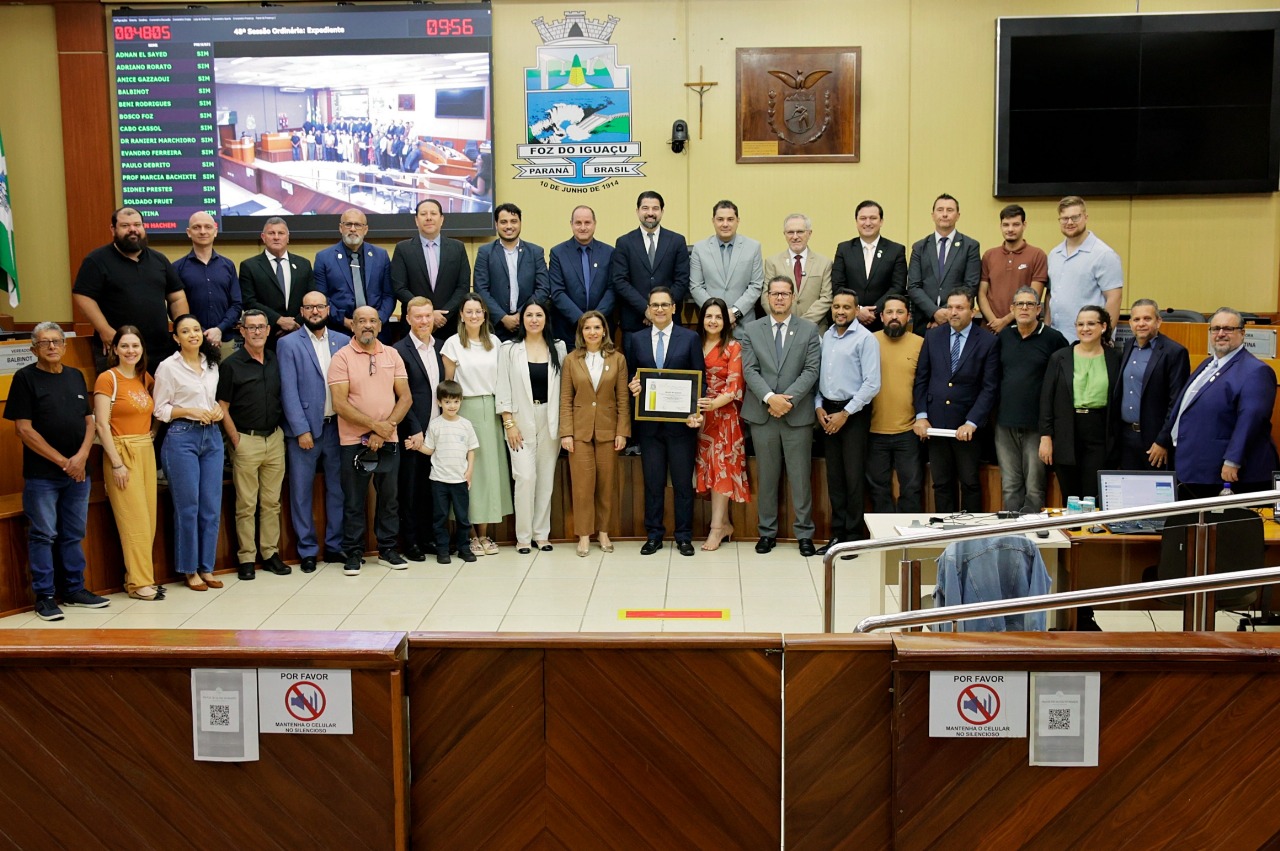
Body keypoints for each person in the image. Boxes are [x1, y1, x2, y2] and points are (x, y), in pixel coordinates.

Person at [4, 322, 109, 621]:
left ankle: (74, 590)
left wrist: (82, 456)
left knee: (73, 533)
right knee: (43, 534)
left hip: (79, 473)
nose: (51, 346)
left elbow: (89, 421)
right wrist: (65, 462)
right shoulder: (25, 379)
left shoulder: (75, 376)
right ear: (33, 348)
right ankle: (46, 597)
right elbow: (24, 430)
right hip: (43, 476)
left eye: (56, 341)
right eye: (44, 342)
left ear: (64, 345)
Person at [740, 275, 823, 556]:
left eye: (784, 294)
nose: (779, 298)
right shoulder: (752, 330)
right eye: (774, 293)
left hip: (796, 415)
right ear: (767, 297)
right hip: (763, 414)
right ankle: (767, 533)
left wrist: (788, 400)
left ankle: (804, 534)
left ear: (792, 297)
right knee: (767, 477)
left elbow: (811, 370)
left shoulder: (808, 330)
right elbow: (749, 370)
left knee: (800, 479)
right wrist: (769, 398)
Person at [329, 306, 412, 575]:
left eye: (372, 321)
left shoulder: (392, 355)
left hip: (388, 438)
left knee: (389, 498)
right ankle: (353, 552)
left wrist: (382, 432)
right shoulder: (341, 358)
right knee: (354, 500)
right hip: (353, 440)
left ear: (379, 325)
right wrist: (374, 427)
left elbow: (405, 398)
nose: (367, 325)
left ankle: (387, 549)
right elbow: (340, 404)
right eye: (361, 321)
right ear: (352, 326)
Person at [1161, 307, 1279, 497]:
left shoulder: (1255, 371)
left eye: (1228, 329)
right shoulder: (1206, 364)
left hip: (1225, 474)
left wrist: (1233, 460)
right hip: (1193, 467)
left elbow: (1251, 420)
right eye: (1215, 329)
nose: (1221, 333)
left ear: (1242, 333)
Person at [625, 286, 705, 555]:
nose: (659, 309)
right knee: (653, 483)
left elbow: (700, 380)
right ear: (648, 309)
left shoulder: (690, 338)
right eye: (654, 305)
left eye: (664, 305)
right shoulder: (636, 339)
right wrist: (633, 386)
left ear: (673, 308)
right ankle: (654, 535)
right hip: (649, 426)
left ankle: (683, 536)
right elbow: (633, 376)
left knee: (682, 484)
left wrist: (697, 412)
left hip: (682, 426)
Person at [278, 290, 350, 573]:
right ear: (301, 311)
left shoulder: (343, 341)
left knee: (338, 490)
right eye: (309, 307)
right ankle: (307, 550)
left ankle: (334, 546)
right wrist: (300, 429)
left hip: (337, 428)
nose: (315, 311)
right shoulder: (287, 344)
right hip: (305, 431)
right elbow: (288, 390)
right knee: (301, 492)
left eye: (319, 306)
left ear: (328, 309)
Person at [152, 314, 225, 591]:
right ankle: (189, 569)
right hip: (182, 437)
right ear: (176, 338)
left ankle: (207, 567)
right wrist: (189, 411)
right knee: (188, 507)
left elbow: (212, 399)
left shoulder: (211, 362)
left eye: (196, 329)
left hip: (212, 436)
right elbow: (160, 409)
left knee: (211, 506)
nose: (193, 334)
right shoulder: (168, 367)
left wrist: (217, 410)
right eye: (185, 331)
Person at [217, 309, 289, 581]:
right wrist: (235, 440)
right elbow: (222, 407)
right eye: (251, 327)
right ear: (242, 331)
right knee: (246, 504)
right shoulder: (231, 365)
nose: (257, 332)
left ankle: (270, 554)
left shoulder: (275, 359)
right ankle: (246, 557)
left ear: (268, 330)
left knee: (271, 502)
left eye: (261, 327)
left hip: (275, 438)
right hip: (245, 440)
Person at [913, 289, 1000, 512]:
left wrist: (972, 422)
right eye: (950, 307)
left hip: (967, 426)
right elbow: (921, 379)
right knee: (941, 483)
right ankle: (944, 530)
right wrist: (921, 416)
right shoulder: (933, 336)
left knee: (970, 483)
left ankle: (969, 533)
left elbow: (989, 388)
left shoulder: (988, 341)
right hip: (936, 425)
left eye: (959, 308)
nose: (953, 312)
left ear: (973, 311)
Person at [72, 206, 189, 371]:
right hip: (118, 350)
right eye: (125, 226)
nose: (132, 229)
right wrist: (104, 330)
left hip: (160, 351)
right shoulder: (96, 260)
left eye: (137, 225)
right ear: (113, 229)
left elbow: (177, 297)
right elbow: (83, 296)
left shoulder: (159, 260)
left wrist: (183, 329)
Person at [93, 326, 162, 601]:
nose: (130, 351)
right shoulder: (107, 379)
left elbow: (158, 408)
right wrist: (117, 463)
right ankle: (140, 583)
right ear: (115, 349)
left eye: (135, 345)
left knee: (149, 519)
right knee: (134, 521)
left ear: (142, 349)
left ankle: (137, 579)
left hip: (145, 450)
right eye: (124, 346)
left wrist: (153, 432)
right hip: (121, 452)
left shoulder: (145, 378)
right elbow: (101, 424)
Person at [442, 295, 513, 556]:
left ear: (485, 315)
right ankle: (469, 535)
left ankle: (484, 534)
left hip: (491, 409)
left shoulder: (494, 342)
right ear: (461, 315)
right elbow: (448, 386)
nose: (474, 316)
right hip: (465, 410)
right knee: (467, 474)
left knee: (489, 474)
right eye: (469, 311)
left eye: (478, 311)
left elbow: (503, 380)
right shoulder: (452, 344)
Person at [815, 289, 881, 554]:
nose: (840, 311)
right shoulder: (826, 337)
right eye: (836, 306)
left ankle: (852, 537)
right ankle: (837, 535)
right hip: (828, 412)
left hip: (853, 413)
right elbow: (820, 377)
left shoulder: (865, 339)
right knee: (835, 477)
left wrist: (846, 413)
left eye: (846, 307)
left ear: (856, 310)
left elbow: (872, 383)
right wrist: (818, 406)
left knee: (853, 477)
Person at [560, 311, 630, 557]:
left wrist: (622, 431)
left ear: (604, 331)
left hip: (608, 431)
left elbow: (623, 398)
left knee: (606, 486)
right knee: (582, 486)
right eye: (587, 328)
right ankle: (583, 535)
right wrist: (566, 433)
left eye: (597, 327)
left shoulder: (618, 359)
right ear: (581, 332)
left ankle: (603, 532)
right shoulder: (571, 360)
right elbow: (565, 398)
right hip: (579, 432)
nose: (592, 332)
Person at [498, 301, 566, 553]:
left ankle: (541, 534)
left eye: (539, 315)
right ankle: (523, 537)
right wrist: (509, 423)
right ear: (522, 319)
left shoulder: (558, 347)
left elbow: (565, 388)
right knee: (525, 477)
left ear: (546, 319)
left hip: (550, 420)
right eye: (529, 315)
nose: (534, 319)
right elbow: (502, 385)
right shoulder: (509, 349)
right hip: (519, 421)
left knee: (545, 480)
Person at [995, 287, 1068, 513]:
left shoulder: (1054, 339)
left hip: (1038, 426)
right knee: (1010, 487)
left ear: (1038, 309)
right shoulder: (1004, 337)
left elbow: (1062, 385)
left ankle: (1032, 533)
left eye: (1030, 304)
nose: (1024, 308)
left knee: (1035, 488)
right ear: (1012, 309)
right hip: (1005, 424)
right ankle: (1011, 531)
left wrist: (1050, 430)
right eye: (1020, 304)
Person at [1038, 305, 1121, 502]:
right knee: (1071, 497)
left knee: (1093, 495)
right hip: (1066, 432)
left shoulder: (1116, 357)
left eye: (1091, 323)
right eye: (1080, 324)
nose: (1085, 328)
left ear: (1103, 327)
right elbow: (1047, 399)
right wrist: (1045, 437)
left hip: (1099, 433)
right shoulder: (1060, 357)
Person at [392, 296, 445, 561]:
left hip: (439, 430)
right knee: (411, 489)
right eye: (418, 316)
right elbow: (400, 395)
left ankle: (428, 538)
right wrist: (414, 428)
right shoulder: (398, 351)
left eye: (428, 316)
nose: (424, 321)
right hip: (413, 432)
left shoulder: (443, 347)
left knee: (431, 488)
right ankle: (411, 542)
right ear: (408, 319)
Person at [693, 298, 747, 552]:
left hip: (724, 417)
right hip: (697, 418)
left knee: (722, 469)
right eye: (708, 316)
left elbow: (734, 386)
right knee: (708, 471)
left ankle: (716, 529)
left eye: (718, 317)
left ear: (726, 321)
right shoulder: (693, 344)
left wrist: (712, 405)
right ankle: (724, 524)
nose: (713, 321)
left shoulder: (734, 347)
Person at [1114, 299, 1190, 471]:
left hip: (1155, 440)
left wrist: (1163, 441)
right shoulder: (1127, 346)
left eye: (1147, 319)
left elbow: (1177, 403)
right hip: (1126, 437)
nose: (1141, 324)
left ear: (1158, 321)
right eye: (1136, 319)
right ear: (1130, 323)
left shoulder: (1174, 352)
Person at [867, 296, 924, 512]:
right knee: (878, 489)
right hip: (873, 430)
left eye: (900, 312)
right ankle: (884, 532)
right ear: (881, 316)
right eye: (889, 312)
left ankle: (907, 531)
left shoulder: (920, 343)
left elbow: (925, 384)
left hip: (908, 430)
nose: (894, 317)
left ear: (908, 316)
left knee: (911, 488)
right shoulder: (868, 341)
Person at [391, 199, 472, 343]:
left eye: (433, 213)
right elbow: (399, 287)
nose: (428, 217)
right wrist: (427, 314)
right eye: (423, 214)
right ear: (416, 220)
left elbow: (463, 287)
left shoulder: (457, 248)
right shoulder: (403, 249)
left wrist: (443, 315)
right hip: (414, 327)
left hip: (449, 326)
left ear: (441, 219)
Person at [1046, 196, 1123, 342]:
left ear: (1086, 218)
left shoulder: (1104, 254)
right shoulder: (1054, 254)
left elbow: (1114, 298)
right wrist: (1047, 327)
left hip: (1089, 341)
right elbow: (1051, 294)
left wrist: (1104, 338)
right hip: (1056, 340)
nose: (1070, 222)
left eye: (1075, 217)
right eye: (1065, 218)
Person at [611, 190, 690, 333]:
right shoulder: (624, 242)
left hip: (669, 322)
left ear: (662, 211)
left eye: (655, 208)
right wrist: (645, 309)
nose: (650, 213)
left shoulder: (677, 241)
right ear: (637, 211)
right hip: (634, 322)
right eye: (645, 208)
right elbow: (620, 281)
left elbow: (682, 280)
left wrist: (661, 309)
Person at [420, 380, 478, 564]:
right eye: (447, 402)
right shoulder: (435, 425)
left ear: (461, 401)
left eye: (455, 401)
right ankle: (442, 550)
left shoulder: (466, 424)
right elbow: (429, 449)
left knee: (462, 517)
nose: (452, 406)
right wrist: (416, 446)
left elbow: (471, 449)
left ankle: (464, 548)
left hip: (460, 480)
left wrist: (469, 471)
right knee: (440, 517)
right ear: (439, 402)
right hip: (439, 480)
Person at [906, 194, 981, 336]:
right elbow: (914, 286)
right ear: (933, 215)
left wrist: (947, 313)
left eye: (950, 210)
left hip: (957, 321)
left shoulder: (970, 246)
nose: (945, 214)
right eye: (940, 210)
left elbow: (970, 285)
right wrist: (934, 312)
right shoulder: (919, 247)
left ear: (958, 215)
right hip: (925, 322)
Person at [475, 203, 550, 341]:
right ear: (496, 224)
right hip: (495, 328)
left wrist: (522, 314)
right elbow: (481, 289)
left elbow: (543, 288)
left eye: (514, 221)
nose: (509, 226)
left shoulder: (535, 252)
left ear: (520, 223)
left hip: (529, 326)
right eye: (504, 222)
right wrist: (502, 317)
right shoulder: (485, 252)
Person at [831, 200, 907, 332]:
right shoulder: (844, 249)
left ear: (881, 221)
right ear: (856, 221)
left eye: (873, 218)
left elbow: (898, 286)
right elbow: (838, 285)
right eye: (863, 218)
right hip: (850, 321)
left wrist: (873, 311)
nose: (867, 223)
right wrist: (858, 310)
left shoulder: (896, 250)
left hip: (882, 323)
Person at [172, 211, 241, 356]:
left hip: (224, 340)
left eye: (208, 227)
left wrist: (219, 329)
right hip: (192, 343)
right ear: (189, 232)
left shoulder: (228, 266)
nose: (203, 231)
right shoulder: (177, 268)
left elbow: (237, 305)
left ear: (215, 231)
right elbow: (175, 308)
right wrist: (200, 332)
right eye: (197, 227)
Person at [314, 208, 394, 333]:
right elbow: (322, 298)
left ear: (365, 229)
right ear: (341, 228)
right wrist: (344, 321)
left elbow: (389, 295)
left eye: (357, 225)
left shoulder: (381, 256)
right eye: (348, 224)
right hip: (339, 330)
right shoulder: (324, 258)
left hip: (377, 331)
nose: (352, 229)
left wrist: (378, 320)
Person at [239, 217, 315, 346]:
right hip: (266, 336)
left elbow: (311, 298)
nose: (276, 237)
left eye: (281, 233)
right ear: (263, 237)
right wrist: (278, 320)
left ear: (288, 237)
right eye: (271, 233)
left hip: (300, 332)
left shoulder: (303, 264)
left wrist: (294, 323)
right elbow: (249, 301)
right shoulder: (249, 266)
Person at [689, 200, 764, 326]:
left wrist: (734, 313)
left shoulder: (753, 247)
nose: (725, 224)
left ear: (737, 221)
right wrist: (718, 315)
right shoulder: (699, 249)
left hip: (744, 323)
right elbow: (696, 286)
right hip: (711, 324)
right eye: (720, 219)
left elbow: (756, 285)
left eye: (730, 219)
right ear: (713, 221)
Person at [549, 205, 615, 347]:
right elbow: (557, 292)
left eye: (587, 222)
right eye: (578, 223)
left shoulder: (609, 252)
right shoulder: (558, 253)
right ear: (571, 224)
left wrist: (596, 321)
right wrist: (582, 320)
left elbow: (612, 289)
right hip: (568, 330)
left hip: (602, 331)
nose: (583, 227)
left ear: (594, 224)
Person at [978, 204, 1048, 335]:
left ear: (1024, 225)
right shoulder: (989, 255)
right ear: (1000, 226)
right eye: (1006, 225)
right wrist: (994, 322)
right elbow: (982, 293)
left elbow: (1034, 296)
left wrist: (1004, 321)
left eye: (1016, 224)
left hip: (1023, 330)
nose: (1010, 229)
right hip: (990, 329)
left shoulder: (1037, 255)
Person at [764, 213, 833, 331]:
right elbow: (766, 297)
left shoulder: (824, 263)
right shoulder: (772, 262)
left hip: (814, 329)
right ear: (784, 234)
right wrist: (784, 320)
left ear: (809, 233)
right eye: (790, 232)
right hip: (780, 328)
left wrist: (801, 324)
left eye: (800, 232)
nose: (795, 237)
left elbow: (826, 298)